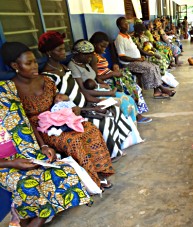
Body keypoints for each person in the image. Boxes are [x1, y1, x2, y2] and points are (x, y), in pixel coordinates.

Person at [1, 41, 114, 189]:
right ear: (15, 66)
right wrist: (43, 144)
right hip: (39, 128)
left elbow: (59, 101)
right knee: (72, 141)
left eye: (35, 62)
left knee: (90, 130)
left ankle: (99, 171)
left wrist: (69, 105)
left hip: (59, 119)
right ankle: (90, 179)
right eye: (29, 64)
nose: (35, 66)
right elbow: (23, 121)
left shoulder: (46, 81)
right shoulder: (11, 90)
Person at [0, 82, 92, 227]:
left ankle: (33, 218)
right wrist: (11, 163)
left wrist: (43, 146)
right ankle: (30, 218)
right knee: (27, 185)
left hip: (26, 152)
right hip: (3, 164)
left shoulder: (6, 88)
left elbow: (26, 122)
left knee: (65, 171)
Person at [38, 31, 131, 159]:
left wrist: (95, 102)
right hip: (74, 112)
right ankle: (109, 154)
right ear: (49, 52)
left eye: (63, 48)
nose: (63, 52)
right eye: (59, 50)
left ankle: (117, 145)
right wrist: (89, 109)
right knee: (102, 122)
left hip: (85, 104)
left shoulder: (64, 68)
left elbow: (79, 91)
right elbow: (61, 106)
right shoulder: (48, 76)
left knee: (113, 108)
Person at [68, 39, 139, 124]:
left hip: (100, 89)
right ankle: (127, 127)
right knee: (123, 103)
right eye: (88, 55)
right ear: (79, 54)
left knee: (128, 98)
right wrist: (108, 93)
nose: (90, 57)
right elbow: (83, 89)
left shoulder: (85, 63)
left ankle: (133, 125)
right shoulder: (73, 66)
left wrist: (103, 85)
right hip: (92, 96)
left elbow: (95, 77)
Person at [89, 31, 151, 123]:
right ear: (94, 44)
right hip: (105, 81)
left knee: (135, 86)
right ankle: (137, 115)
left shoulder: (98, 55)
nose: (103, 49)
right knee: (131, 89)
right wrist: (113, 74)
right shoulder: (94, 57)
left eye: (105, 47)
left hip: (110, 77)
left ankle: (137, 113)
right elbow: (96, 78)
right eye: (101, 46)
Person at [115, 17, 176, 99]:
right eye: (124, 24)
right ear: (119, 26)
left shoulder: (128, 36)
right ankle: (162, 89)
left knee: (155, 66)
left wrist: (140, 57)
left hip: (137, 60)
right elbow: (122, 57)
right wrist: (137, 59)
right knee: (150, 68)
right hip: (129, 64)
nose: (127, 25)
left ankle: (157, 91)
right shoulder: (120, 39)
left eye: (127, 23)